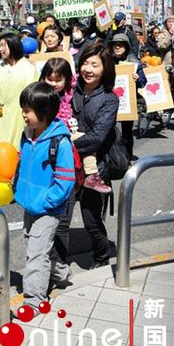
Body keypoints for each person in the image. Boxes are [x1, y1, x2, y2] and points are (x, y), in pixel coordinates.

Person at [14, 82, 75, 307]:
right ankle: (60, 274)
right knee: (37, 245)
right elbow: (22, 165)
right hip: (30, 205)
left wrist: (49, 201)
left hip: (49, 208)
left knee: (36, 253)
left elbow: (66, 181)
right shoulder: (28, 134)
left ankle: (34, 299)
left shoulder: (60, 141)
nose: (24, 114)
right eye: (24, 108)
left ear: (45, 112)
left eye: (28, 110)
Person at [66, 42, 119, 269]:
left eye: (94, 65)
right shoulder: (71, 90)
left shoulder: (109, 99)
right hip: (67, 165)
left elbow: (97, 137)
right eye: (85, 63)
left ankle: (101, 257)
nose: (88, 69)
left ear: (105, 69)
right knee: (60, 218)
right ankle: (57, 262)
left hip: (95, 167)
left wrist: (66, 146)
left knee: (91, 219)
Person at [0, 33, 37, 149]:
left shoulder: (29, 69)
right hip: (2, 115)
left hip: (20, 113)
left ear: (14, 45)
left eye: (3, 45)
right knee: (1, 145)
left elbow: (33, 93)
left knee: (19, 145)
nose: (0, 49)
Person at [109, 33, 146, 157]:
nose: (117, 48)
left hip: (127, 102)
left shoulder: (134, 61)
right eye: (115, 45)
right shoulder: (107, 61)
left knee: (127, 131)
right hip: (109, 101)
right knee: (109, 129)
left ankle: (128, 156)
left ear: (126, 47)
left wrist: (137, 78)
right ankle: (112, 157)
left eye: (120, 45)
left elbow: (143, 82)